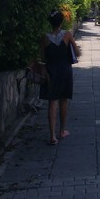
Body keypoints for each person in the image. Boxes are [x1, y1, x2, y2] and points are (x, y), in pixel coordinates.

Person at [39, 10, 76, 145]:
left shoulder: (44, 38)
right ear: (61, 21)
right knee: (63, 100)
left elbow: (42, 57)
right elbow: (77, 52)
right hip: (65, 70)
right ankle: (62, 130)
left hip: (51, 71)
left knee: (52, 102)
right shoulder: (67, 35)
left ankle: (52, 135)